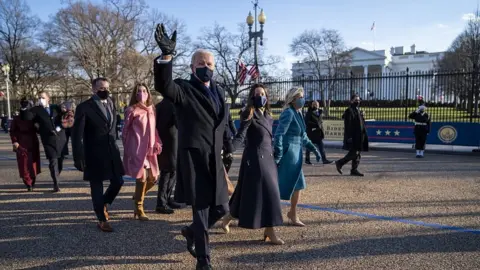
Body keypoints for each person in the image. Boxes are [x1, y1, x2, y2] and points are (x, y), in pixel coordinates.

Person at [154, 24, 229, 270]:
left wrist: (227, 146)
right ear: (191, 67)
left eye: (209, 64)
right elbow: (165, 87)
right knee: (201, 209)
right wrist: (166, 57)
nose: (206, 68)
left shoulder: (219, 91)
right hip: (194, 158)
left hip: (214, 159)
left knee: (221, 207)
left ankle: (191, 232)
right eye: (201, 64)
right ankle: (203, 260)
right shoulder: (183, 89)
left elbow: (222, 123)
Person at [222, 83, 284, 245]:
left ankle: (228, 216)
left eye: (263, 93)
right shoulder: (248, 113)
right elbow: (241, 135)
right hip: (255, 158)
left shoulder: (269, 116)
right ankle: (270, 230)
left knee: (244, 192)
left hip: (268, 158)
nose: (260, 96)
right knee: (270, 193)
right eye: (257, 94)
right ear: (252, 97)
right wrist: (230, 149)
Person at [72, 77, 125, 232]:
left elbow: (112, 127)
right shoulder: (84, 107)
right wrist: (78, 157)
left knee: (118, 181)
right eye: (101, 88)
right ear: (94, 89)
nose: (105, 91)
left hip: (111, 151)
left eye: (107, 87)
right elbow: (77, 135)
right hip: (93, 153)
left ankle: (103, 203)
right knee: (96, 186)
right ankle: (102, 219)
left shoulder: (111, 103)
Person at [274, 87, 321, 227]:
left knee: (298, 185)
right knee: (278, 185)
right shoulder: (288, 113)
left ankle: (293, 213)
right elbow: (279, 134)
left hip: (295, 153)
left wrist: (313, 148)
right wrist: (279, 152)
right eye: (300, 97)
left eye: (303, 96)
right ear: (293, 99)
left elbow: (303, 135)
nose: (303, 99)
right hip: (288, 154)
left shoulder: (298, 113)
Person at [123, 83, 162, 220]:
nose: (142, 93)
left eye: (144, 90)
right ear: (135, 94)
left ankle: (139, 194)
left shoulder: (152, 109)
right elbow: (125, 131)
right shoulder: (131, 110)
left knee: (154, 178)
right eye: (139, 91)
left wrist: (157, 141)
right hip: (137, 148)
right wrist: (128, 149)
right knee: (142, 177)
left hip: (150, 148)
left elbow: (154, 128)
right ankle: (139, 208)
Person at [24, 91, 66, 192]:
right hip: (48, 138)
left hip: (60, 137)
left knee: (60, 160)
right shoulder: (36, 110)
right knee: (53, 160)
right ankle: (56, 183)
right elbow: (27, 117)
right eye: (39, 97)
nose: (40, 99)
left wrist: (61, 125)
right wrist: (27, 108)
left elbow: (66, 116)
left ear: (48, 98)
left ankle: (57, 176)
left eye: (42, 97)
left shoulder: (55, 107)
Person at [155, 97, 182, 214]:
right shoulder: (171, 105)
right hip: (170, 142)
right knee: (168, 172)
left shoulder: (160, 105)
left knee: (171, 171)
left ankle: (166, 198)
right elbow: (178, 122)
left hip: (167, 141)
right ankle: (161, 202)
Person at [10, 98, 41, 191]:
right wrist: (15, 141)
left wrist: (38, 127)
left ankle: (33, 179)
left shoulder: (34, 117)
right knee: (23, 163)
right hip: (21, 143)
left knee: (33, 162)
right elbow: (12, 131)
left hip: (33, 142)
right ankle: (28, 182)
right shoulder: (16, 118)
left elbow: (39, 129)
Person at [335, 94, 369, 177]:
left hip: (360, 136)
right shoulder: (349, 111)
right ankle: (340, 162)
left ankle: (354, 170)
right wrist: (349, 137)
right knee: (354, 153)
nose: (357, 101)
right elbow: (348, 125)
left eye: (358, 100)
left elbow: (361, 123)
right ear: (351, 101)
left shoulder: (358, 110)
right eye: (355, 100)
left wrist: (362, 116)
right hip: (354, 136)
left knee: (357, 153)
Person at [304, 101, 333, 165]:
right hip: (311, 133)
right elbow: (307, 122)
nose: (316, 106)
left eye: (317, 105)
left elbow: (320, 121)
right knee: (309, 147)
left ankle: (324, 160)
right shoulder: (309, 113)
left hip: (319, 133)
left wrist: (320, 127)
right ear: (312, 105)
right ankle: (307, 159)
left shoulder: (320, 112)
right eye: (314, 105)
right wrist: (315, 125)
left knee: (321, 146)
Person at [222, 102, 236, 173]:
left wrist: (235, 132)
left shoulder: (226, 107)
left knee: (229, 158)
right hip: (217, 137)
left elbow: (230, 121)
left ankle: (225, 175)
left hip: (227, 138)